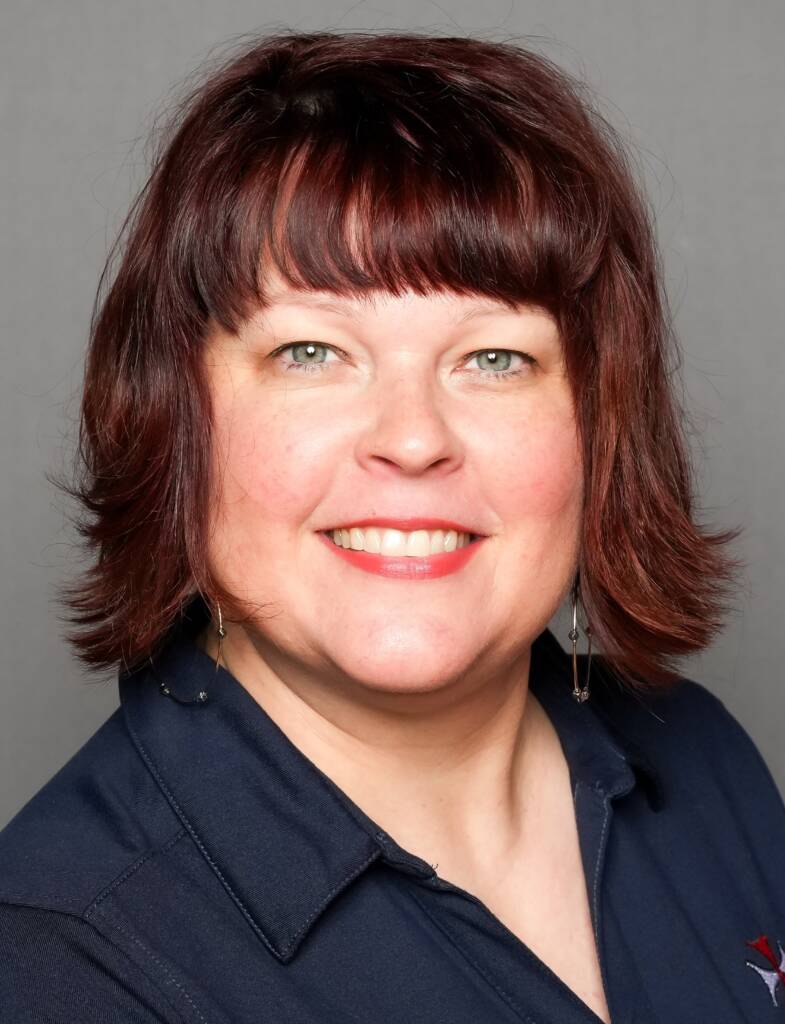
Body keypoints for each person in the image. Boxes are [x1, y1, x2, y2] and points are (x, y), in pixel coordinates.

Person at [1, 29, 783, 1024]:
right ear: (177, 424)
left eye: (493, 358)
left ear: (599, 424)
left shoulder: (702, 764)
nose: (412, 441)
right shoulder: (54, 959)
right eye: (312, 351)